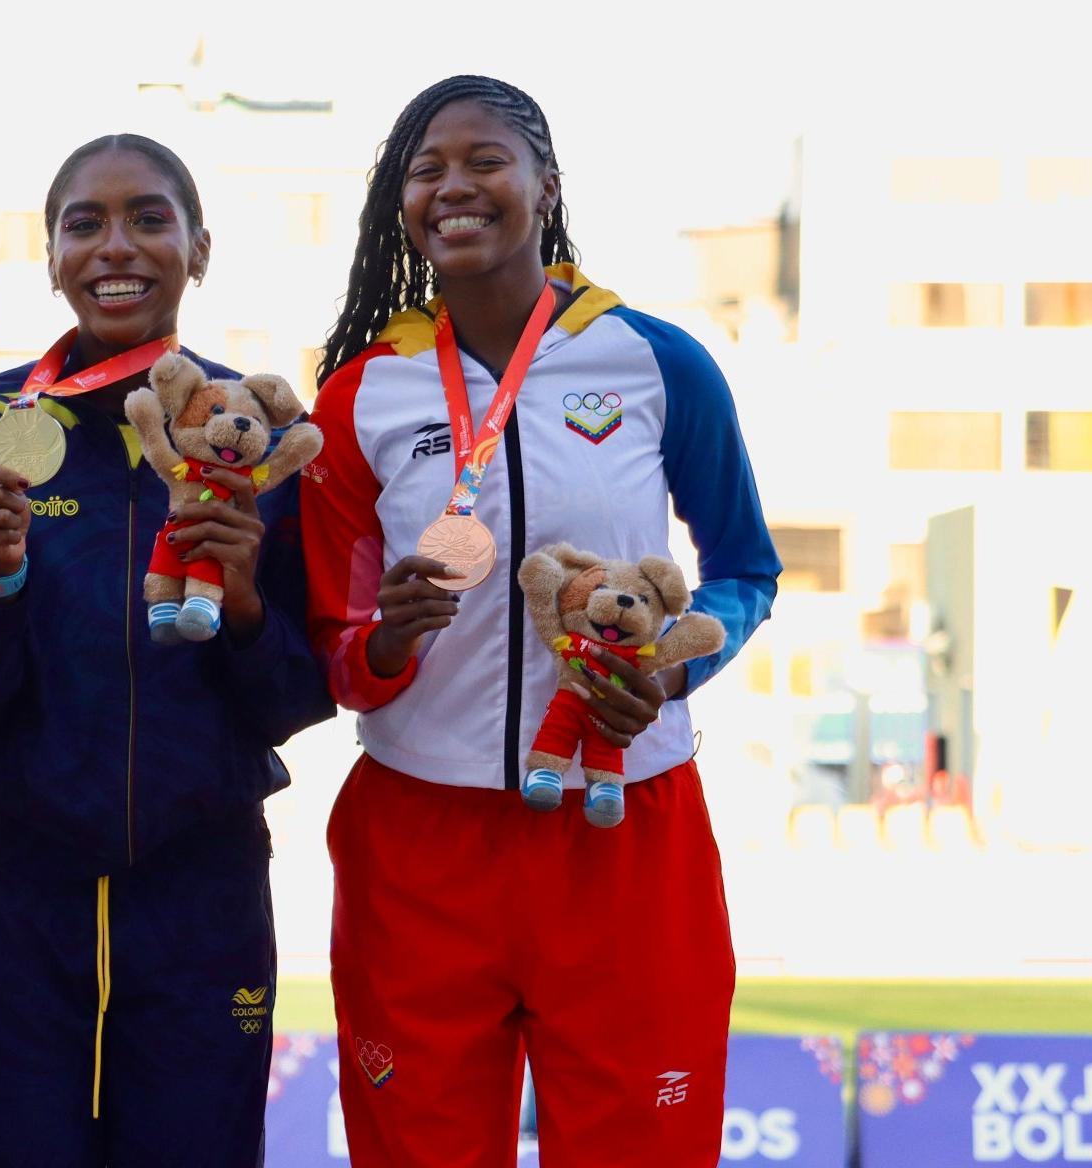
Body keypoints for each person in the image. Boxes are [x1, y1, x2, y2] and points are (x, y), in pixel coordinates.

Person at [301, 76, 781, 1166]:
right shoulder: (361, 395)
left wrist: (670, 671)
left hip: (622, 825)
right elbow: (333, 638)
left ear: (546, 187)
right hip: (421, 840)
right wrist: (384, 641)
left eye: (486, 161)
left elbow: (745, 569)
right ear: (400, 204)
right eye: (426, 170)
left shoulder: (656, 360)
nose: (453, 187)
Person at [0, 133, 335, 1167]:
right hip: (13, 888)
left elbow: (294, 695)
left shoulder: (260, 432)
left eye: (150, 219)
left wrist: (245, 600)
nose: (117, 246)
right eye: (86, 224)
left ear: (199, 248)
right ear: (50, 256)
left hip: (200, 887)